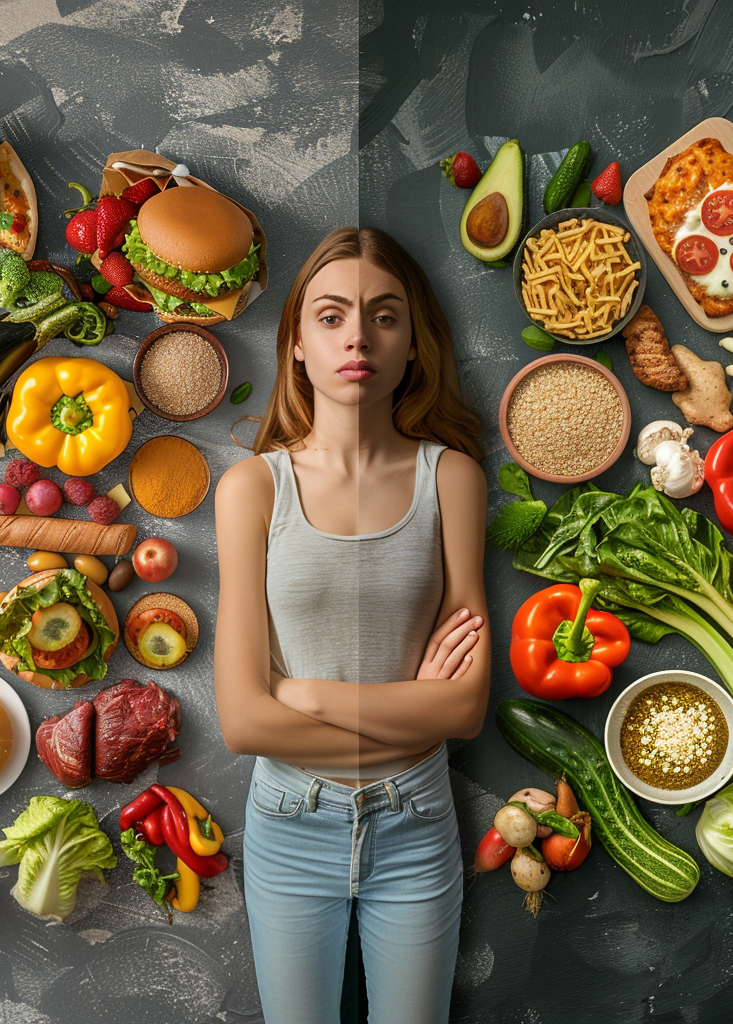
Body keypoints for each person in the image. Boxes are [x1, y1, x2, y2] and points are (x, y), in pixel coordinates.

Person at [213, 225, 490, 1024]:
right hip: (289, 824)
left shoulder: (453, 480)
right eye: (331, 317)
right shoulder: (251, 491)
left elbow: (464, 708)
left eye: (385, 316)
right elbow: (240, 722)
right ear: (296, 343)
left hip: (418, 822)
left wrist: (301, 693)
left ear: (412, 347)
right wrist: (410, 718)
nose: (357, 337)